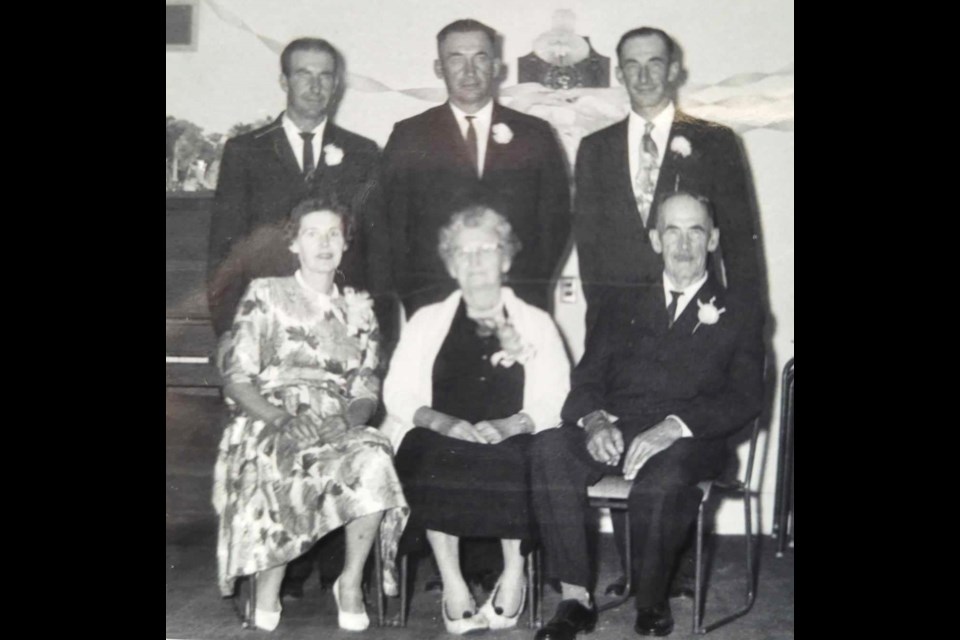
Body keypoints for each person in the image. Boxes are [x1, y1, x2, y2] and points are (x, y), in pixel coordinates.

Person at [531, 192, 764, 639]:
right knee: (549, 448)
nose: (683, 244)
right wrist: (595, 420)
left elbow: (746, 396)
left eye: (695, 230)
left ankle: (652, 600)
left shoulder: (741, 310)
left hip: (693, 440)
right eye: (671, 231)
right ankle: (575, 598)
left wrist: (675, 427)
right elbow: (585, 383)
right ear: (655, 240)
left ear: (712, 239)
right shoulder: (621, 303)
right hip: (618, 427)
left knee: (664, 476)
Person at [212, 197, 408, 632]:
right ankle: (269, 583)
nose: (324, 243)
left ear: (345, 243)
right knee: (281, 457)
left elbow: (365, 387)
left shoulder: (359, 308)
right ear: (294, 243)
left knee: (374, 457)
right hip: (270, 416)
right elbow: (238, 379)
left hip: (336, 419)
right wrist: (282, 419)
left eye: (334, 234)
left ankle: (351, 583)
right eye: (312, 233)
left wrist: (351, 420)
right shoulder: (266, 292)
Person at [381, 205, 570, 634]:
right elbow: (396, 391)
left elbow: (558, 396)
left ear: (506, 259)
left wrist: (513, 424)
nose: (476, 262)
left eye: (486, 250)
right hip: (442, 434)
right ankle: (453, 583)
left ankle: (513, 574)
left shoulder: (535, 323)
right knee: (426, 453)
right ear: (451, 264)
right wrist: (439, 421)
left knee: (519, 456)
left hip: (510, 434)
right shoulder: (427, 321)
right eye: (463, 253)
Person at [574, 27, 761, 331]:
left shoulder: (714, 142)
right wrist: (602, 321)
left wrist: (745, 329)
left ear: (673, 70)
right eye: (633, 65)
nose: (643, 77)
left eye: (655, 64)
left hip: (697, 321)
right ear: (620, 74)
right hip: (618, 327)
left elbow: (741, 246)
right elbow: (589, 251)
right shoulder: (595, 149)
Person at [207, 37, 391, 344]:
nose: (315, 86)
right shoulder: (245, 151)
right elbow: (224, 250)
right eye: (304, 74)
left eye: (325, 76)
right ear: (284, 81)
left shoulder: (363, 152)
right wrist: (228, 330)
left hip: (341, 322)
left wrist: (378, 333)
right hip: (264, 321)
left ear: (336, 84)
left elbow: (378, 253)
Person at [382, 18, 571, 317]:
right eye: (456, 58)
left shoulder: (534, 134)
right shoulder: (410, 136)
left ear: (497, 66)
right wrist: (415, 297)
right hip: (434, 304)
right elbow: (391, 227)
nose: (469, 71)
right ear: (439, 67)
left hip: (518, 301)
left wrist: (529, 289)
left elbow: (555, 222)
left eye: (480, 57)